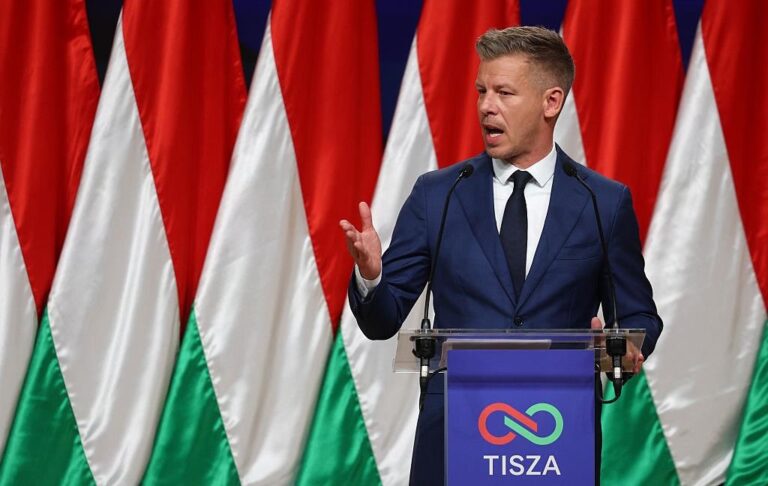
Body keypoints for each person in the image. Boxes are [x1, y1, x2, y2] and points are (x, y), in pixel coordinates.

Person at [340, 26, 662, 485]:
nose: (486, 106)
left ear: (551, 102)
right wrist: (371, 276)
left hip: (554, 438)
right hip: (453, 440)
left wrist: (625, 346)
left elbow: (639, 315)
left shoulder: (602, 203)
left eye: (504, 93)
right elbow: (382, 321)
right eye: (481, 91)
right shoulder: (439, 195)